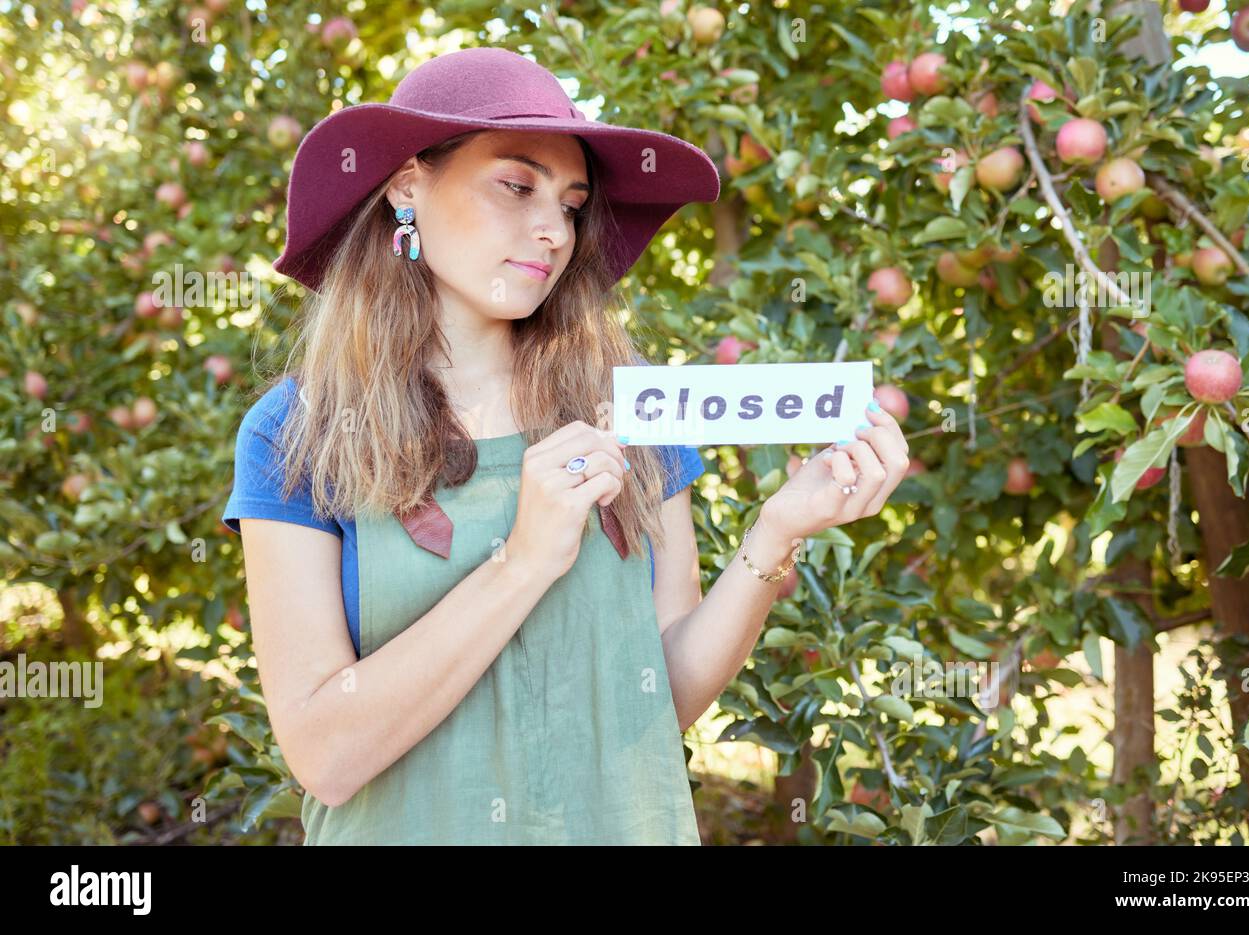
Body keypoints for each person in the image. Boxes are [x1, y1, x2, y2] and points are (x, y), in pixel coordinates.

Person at [223, 47, 910, 845]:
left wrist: (776, 533)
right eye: (516, 186)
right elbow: (326, 754)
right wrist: (523, 560)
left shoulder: (631, 404)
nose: (553, 230)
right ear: (408, 185)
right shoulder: (298, 428)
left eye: (573, 204)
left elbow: (662, 700)